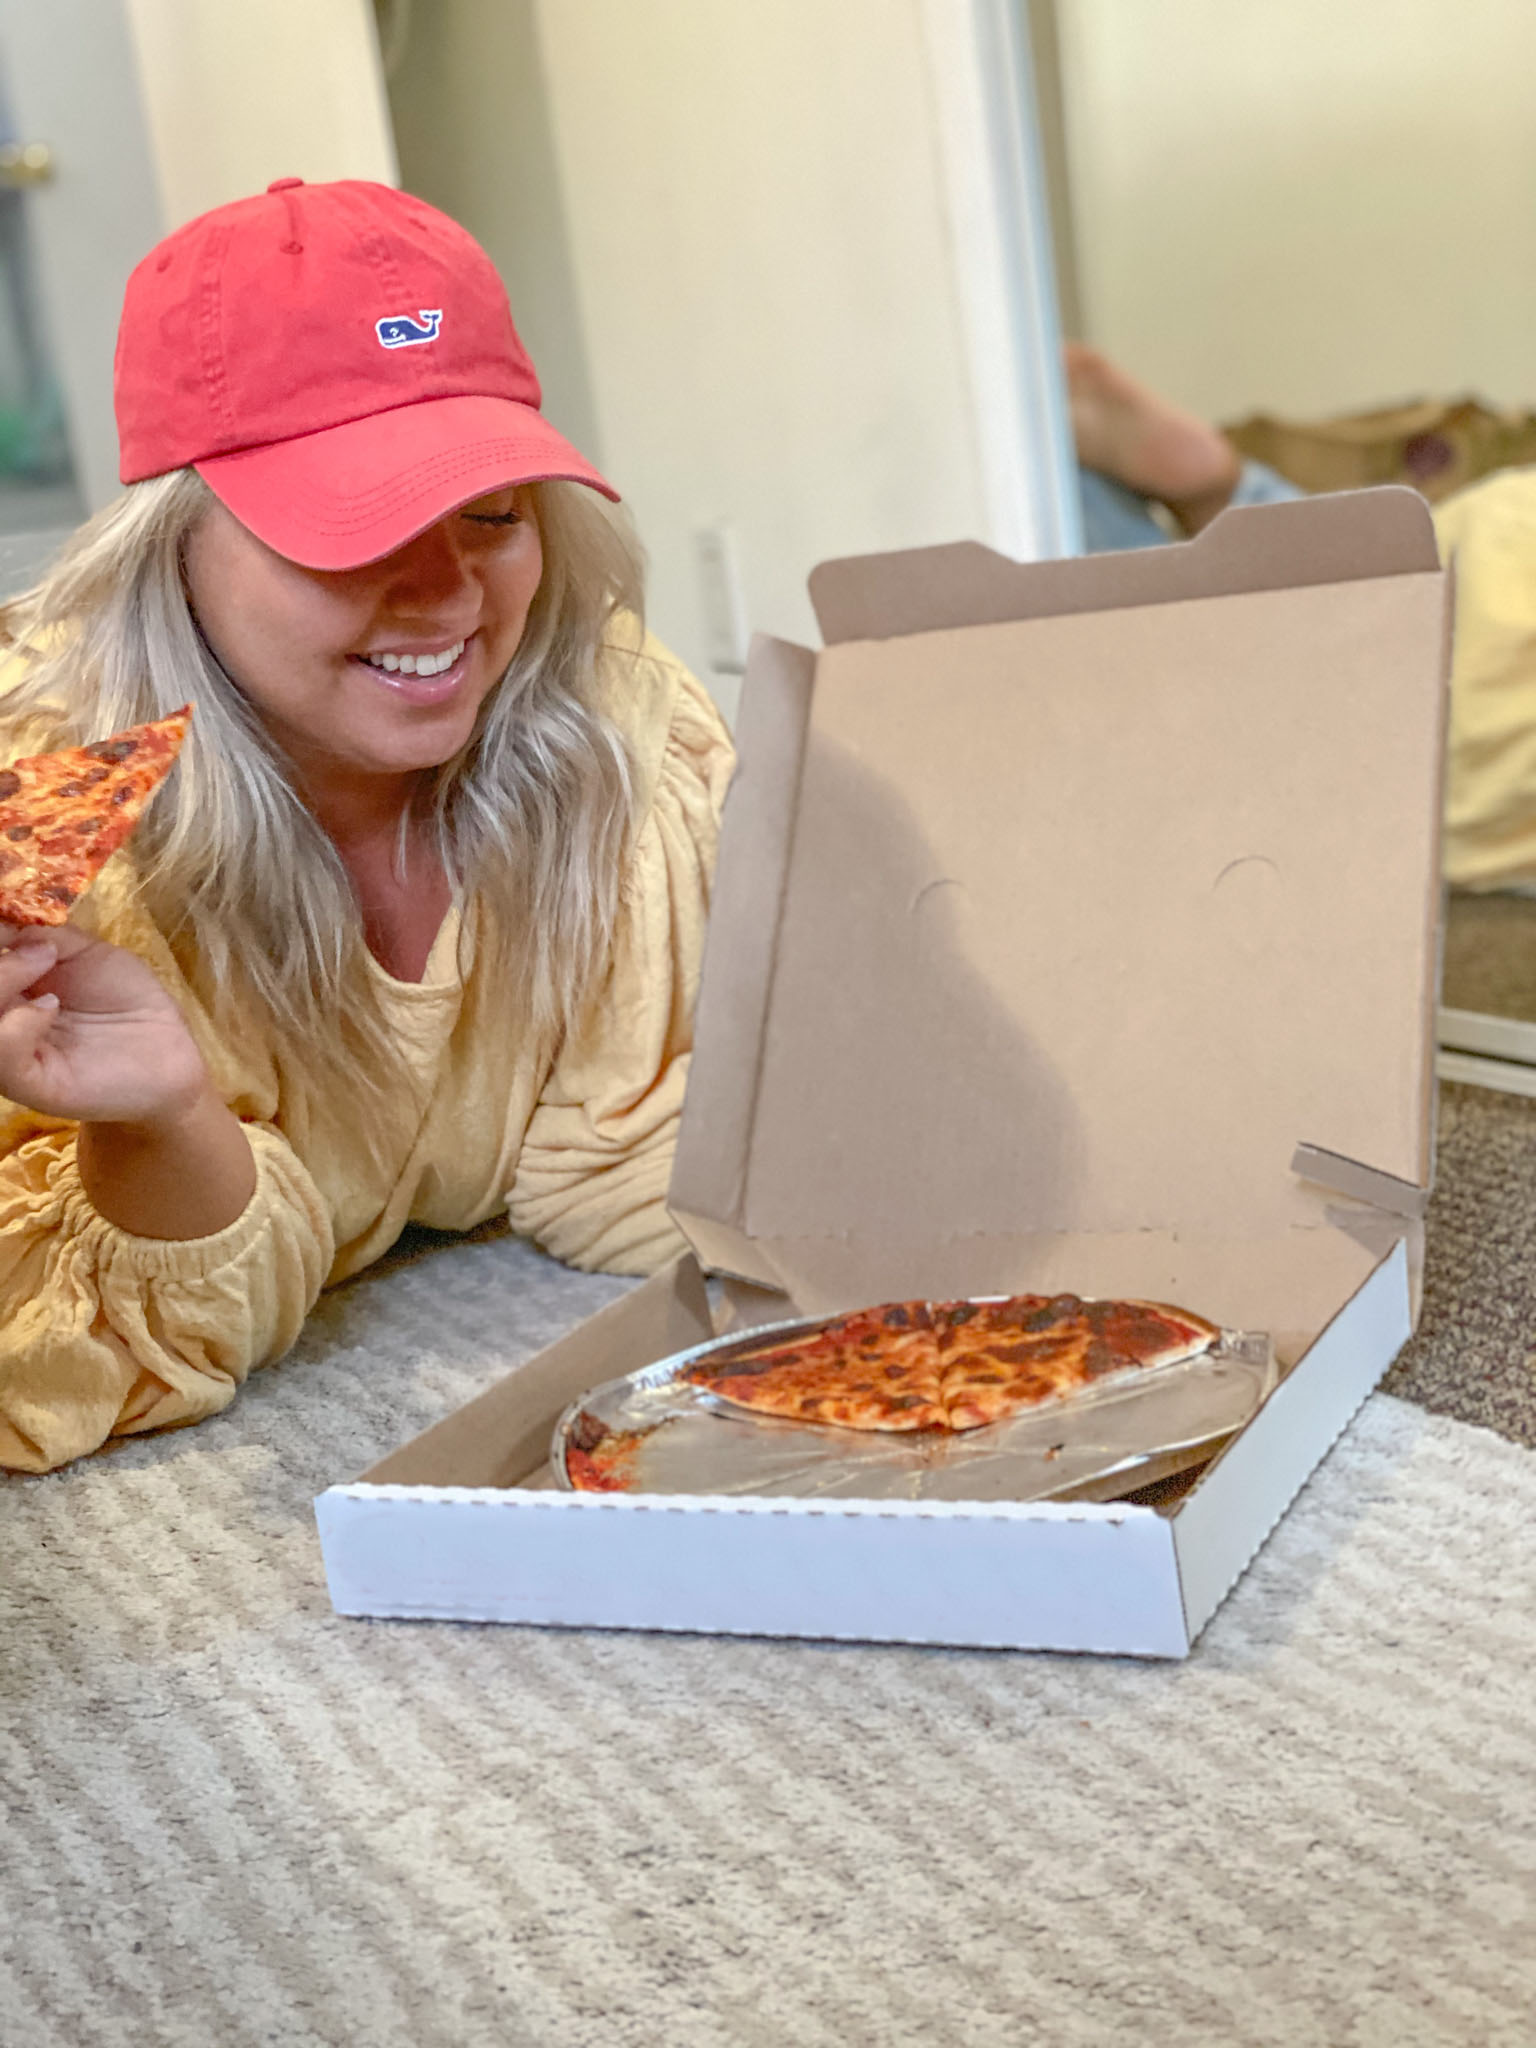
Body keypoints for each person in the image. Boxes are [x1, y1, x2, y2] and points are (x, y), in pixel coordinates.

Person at [0, 179, 733, 1474]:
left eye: (493, 512)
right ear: (171, 547)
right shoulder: (52, 835)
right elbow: (64, 1355)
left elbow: (668, 1143)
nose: (448, 596)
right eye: (357, 527)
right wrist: (164, 1120)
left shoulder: (613, 724)